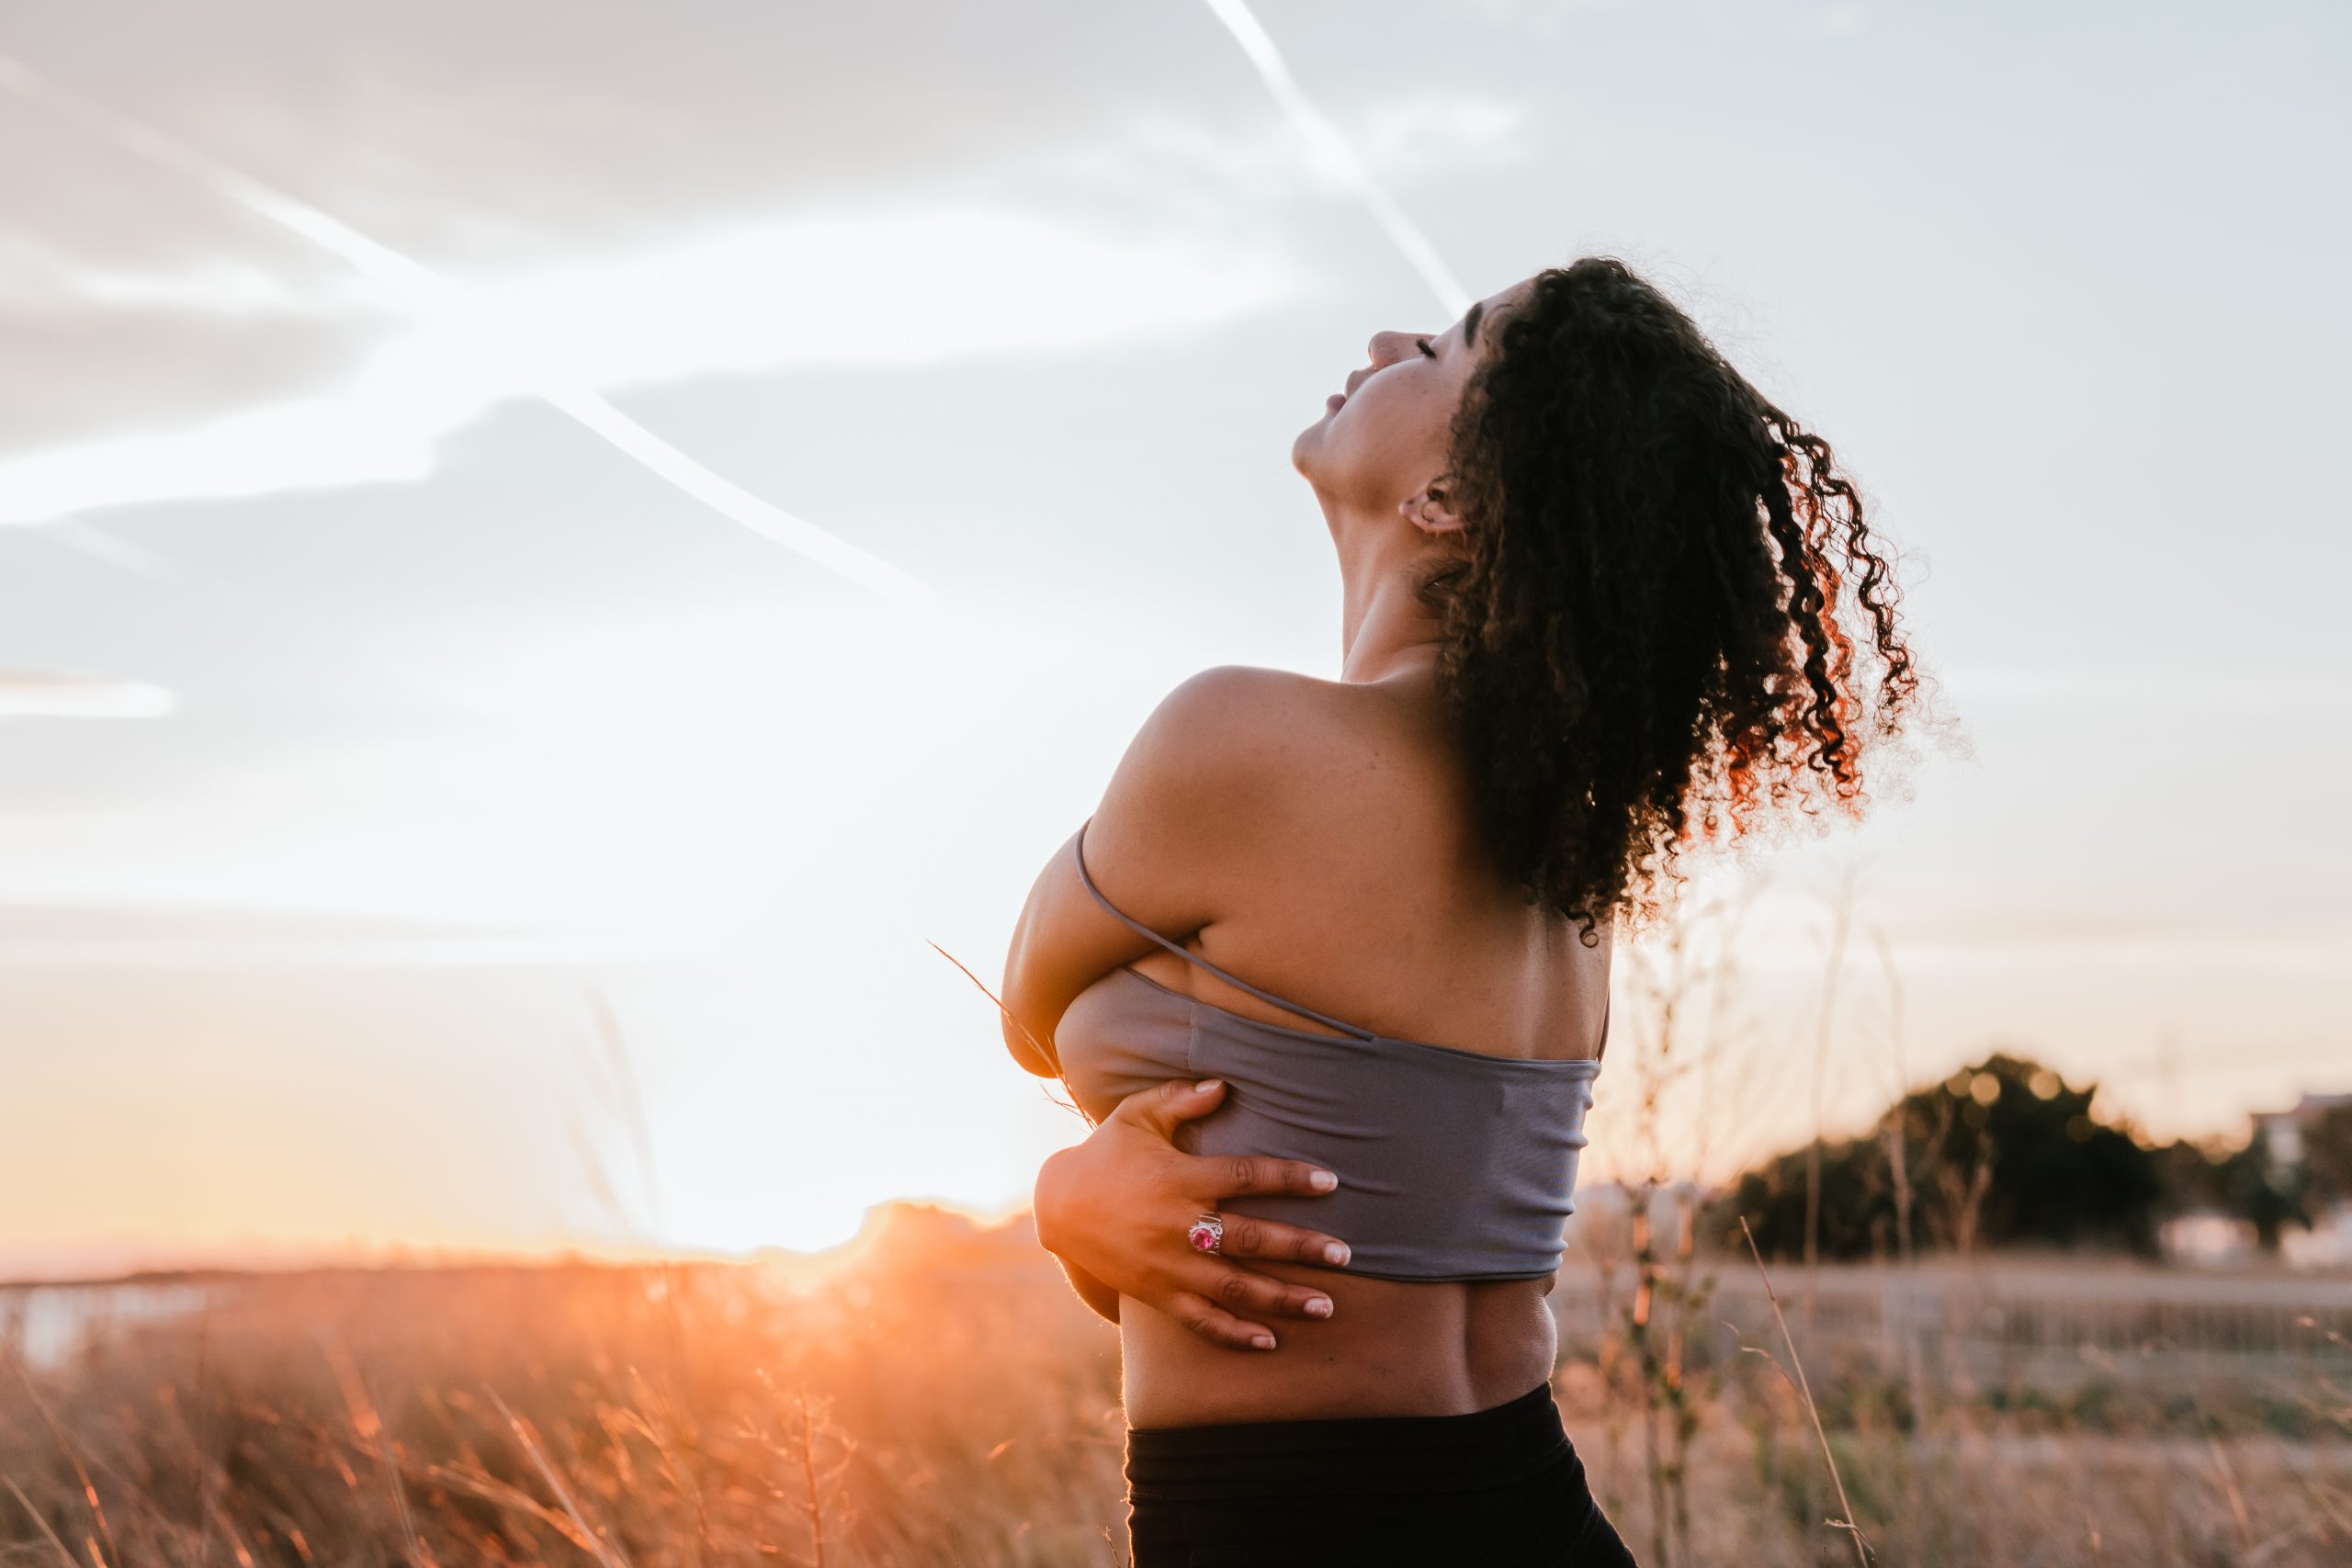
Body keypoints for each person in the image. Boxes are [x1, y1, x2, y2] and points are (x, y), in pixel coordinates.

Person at [998, 255, 1920, 1564]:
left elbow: (1027, 1008)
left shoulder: (1241, 742)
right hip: (1528, 1510)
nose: (1382, 337)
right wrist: (1102, 1219)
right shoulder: (1569, 860)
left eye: (1439, 347)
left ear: (1449, 497)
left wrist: (1067, 1197)